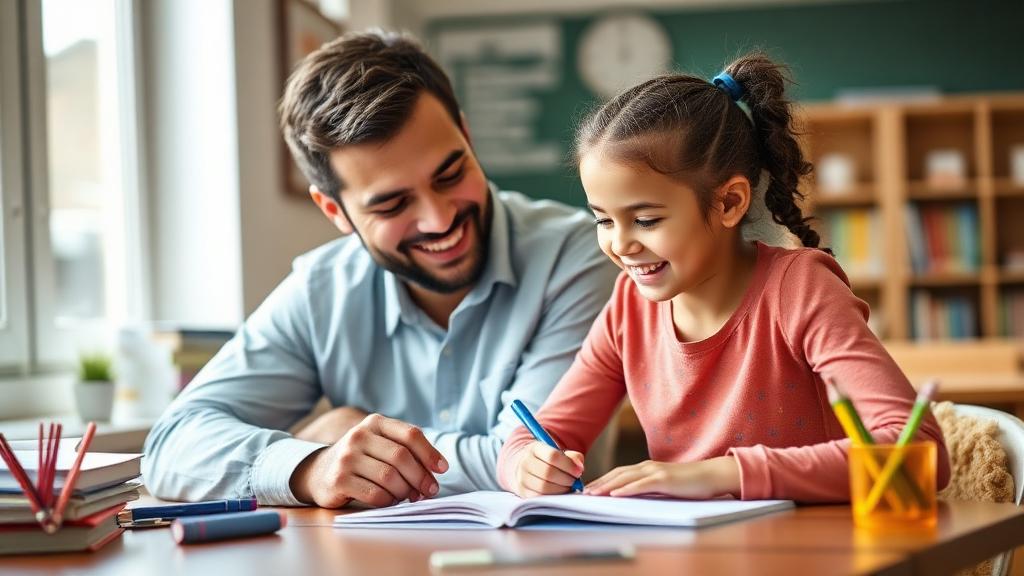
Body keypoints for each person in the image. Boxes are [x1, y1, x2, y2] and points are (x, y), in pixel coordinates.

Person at [142, 31, 618, 509]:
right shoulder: (321, 290)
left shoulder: (577, 255)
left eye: (450, 174)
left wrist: (349, 435)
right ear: (335, 212)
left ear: (468, 138)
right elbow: (171, 445)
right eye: (392, 204)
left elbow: (524, 463)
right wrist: (311, 466)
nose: (439, 219)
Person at [497, 53, 950, 502]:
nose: (622, 244)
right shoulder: (627, 310)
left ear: (729, 203)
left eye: (647, 220)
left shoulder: (800, 289)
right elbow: (533, 437)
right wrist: (525, 464)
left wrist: (725, 474)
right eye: (604, 221)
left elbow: (920, 454)